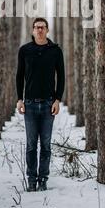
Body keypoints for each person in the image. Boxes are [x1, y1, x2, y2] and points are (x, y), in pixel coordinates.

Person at [16, 17, 65, 192]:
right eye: (37, 27)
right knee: (31, 144)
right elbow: (19, 76)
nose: (40, 30)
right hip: (29, 104)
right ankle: (31, 179)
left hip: (48, 105)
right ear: (32, 30)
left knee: (45, 144)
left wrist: (57, 100)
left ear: (47, 30)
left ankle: (43, 179)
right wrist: (19, 99)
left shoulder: (55, 51)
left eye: (43, 27)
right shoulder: (25, 50)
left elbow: (62, 77)